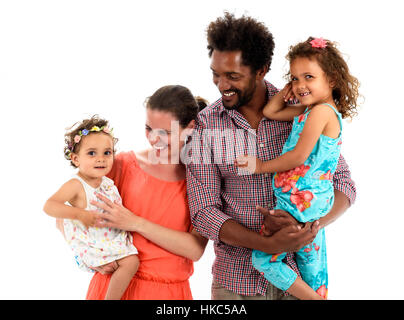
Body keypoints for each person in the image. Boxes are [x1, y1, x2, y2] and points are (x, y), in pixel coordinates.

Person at [186, 13, 356, 300]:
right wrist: (267, 243)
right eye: (216, 73)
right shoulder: (205, 126)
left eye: (233, 76)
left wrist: (306, 228)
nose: (221, 84)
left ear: (262, 69)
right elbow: (204, 213)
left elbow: (342, 183)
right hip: (237, 284)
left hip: (299, 279)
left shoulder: (305, 110)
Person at [234, 37, 360, 299]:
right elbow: (270, 112)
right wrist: (287, 91)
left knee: (265, 260)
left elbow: (298, 157)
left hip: (304, 202)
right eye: (294, 78)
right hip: (305, 201)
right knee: (312, 268)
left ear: (332, 80)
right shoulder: (309, 110)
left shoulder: (321, 113)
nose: (300, 85)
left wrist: (260, 167)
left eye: (309, 77)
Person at [84, 85, 208, 299]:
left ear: (189, 127)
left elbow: (195, 249)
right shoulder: (122, 164)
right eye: (149, 128)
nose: (153, 139)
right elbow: (69, 213)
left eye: (166, 132)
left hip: (167, 293)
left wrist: (135, 223)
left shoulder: (201, 179)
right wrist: (88, 256)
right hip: (112, 287)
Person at [43, 115, 140, 300]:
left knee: (130, 262)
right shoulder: (76, 184)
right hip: (94, 244)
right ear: (75, 159)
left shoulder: (107, 182)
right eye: (92, 153)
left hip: (108, 239)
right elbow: (49, 206)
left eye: (107, 152)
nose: (101, 159)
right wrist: (79, 214)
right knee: (131, 262)